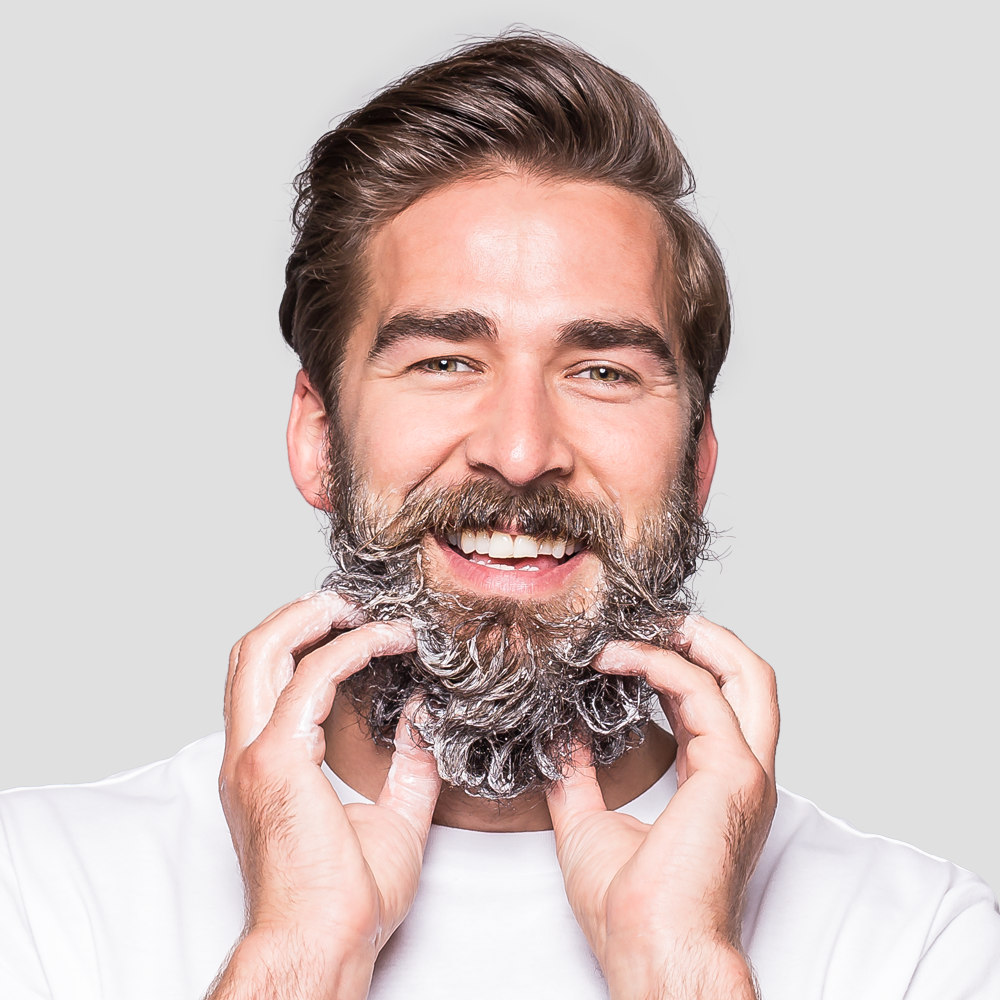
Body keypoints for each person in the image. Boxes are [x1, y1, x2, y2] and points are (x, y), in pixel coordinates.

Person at [0, 32, 997, 1000]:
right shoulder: (39, 896)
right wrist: (296, 960)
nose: (521, 451)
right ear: (318, 436)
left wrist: (682, 969)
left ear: (696, 461)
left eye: (601, 369)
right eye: (444, 360)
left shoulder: (921, 947)